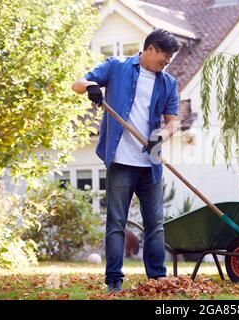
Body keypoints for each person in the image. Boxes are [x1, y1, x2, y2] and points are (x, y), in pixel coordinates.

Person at [72, 29, 180, 292]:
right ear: (151, 49)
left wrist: (161, 137)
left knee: (155, 225)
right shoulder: (116, 67)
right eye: (164, 57)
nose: (166, 63)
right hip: (121, 162)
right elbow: (77, 84)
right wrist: (92, 87)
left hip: (150, 163)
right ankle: (114, 281)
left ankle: (157, 279)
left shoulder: (168, 83)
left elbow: (173, 122)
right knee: (116, 223)